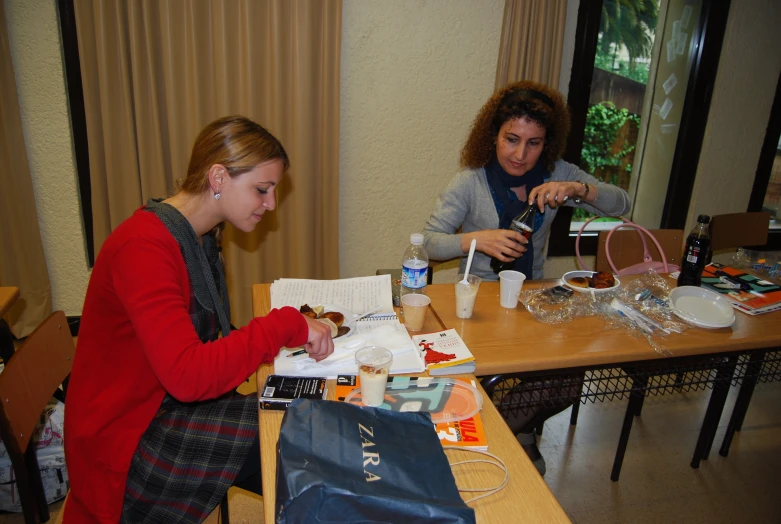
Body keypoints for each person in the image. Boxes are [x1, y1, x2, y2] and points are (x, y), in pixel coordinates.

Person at [63, 116, 334, 523]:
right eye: (262, 189)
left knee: (301, 416)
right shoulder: (143, 248)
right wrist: (283, 326)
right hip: (129, 445)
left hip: (163, 409)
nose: (271, 204)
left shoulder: (197, 237)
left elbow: (200, 353)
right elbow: (188, 375)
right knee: (300, 448)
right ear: (219, 177)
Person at [422, 81, 631, 474]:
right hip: (478, 304)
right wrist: (474, 240)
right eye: (511, 139)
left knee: (570, 375)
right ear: (493, 136)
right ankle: (513, 433)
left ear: (547, 145)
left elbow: (622, 203)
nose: (520, 154)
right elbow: (428, 244)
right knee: (486, 371)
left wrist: (578, 189)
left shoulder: (558, 174)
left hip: (532, 298)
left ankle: (504, 425)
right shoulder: (469, 181)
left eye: (533, 143)